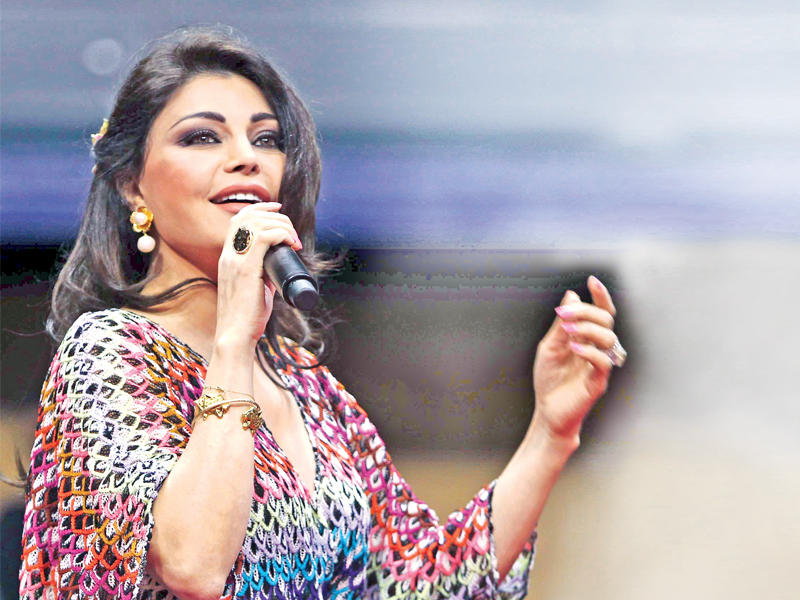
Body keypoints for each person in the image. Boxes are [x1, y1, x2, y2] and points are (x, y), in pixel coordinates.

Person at [18, 25, 626, 600]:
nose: (246, 158)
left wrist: (551, 433)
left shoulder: (307, 385)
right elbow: (193, 565)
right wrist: (234, 339)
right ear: (131, 184)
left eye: (266, 139)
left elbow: (426, 583)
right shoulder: (109, 355)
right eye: (202, 137)